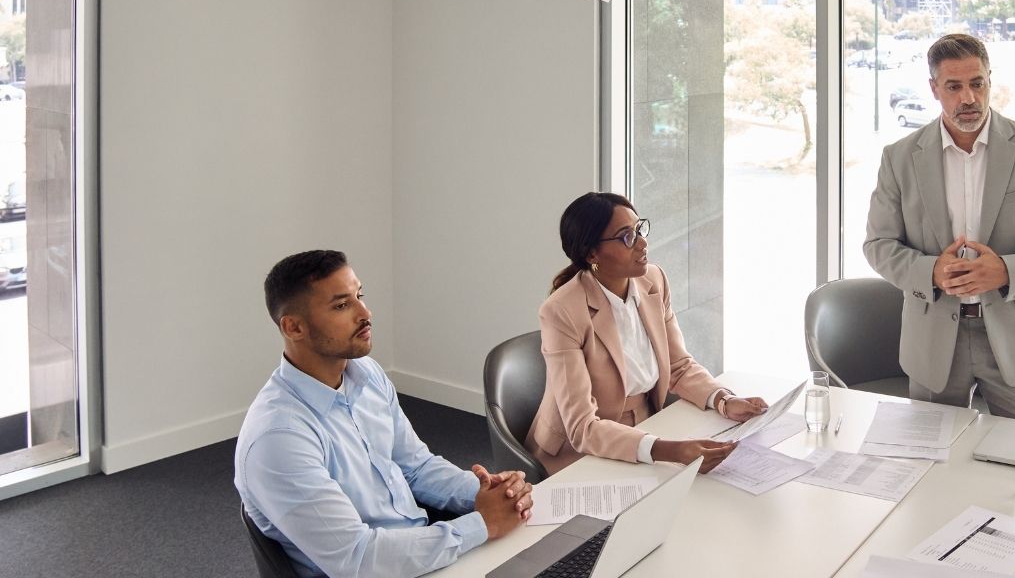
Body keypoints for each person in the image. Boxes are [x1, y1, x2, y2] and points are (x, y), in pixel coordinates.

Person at [235, 250, 533, 578]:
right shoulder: (278, 437)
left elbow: (416, 467)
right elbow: (357, 559)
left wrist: (490, 494)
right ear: (294, 327)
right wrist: (482, 524)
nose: (365, 312)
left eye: (359, 296)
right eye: (341, 305)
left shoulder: (367, 375)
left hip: (422, 549)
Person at [864, 33, 1015, 424]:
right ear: (934, 89)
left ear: (989, 80)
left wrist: (1007, 270)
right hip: (933, 343)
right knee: (929, 470)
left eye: (977, 83)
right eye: (954, 86)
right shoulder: (899, 158)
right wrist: (930, 272)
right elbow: (879, 244)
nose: (968, 98)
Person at [525, 192, 768, 475]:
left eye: (639, 229)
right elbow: (582, 428)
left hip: (648, 422)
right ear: (592, 254)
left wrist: (724, 401)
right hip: (579, 449)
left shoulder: (653, 280)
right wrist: (672, 450)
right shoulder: (561, 311)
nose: (643, 243)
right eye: (627, 237)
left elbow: (679, 366)